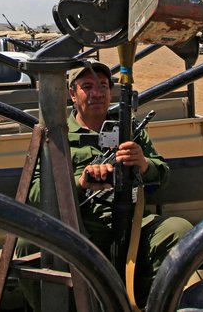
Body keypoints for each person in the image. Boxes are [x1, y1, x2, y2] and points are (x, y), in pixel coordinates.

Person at [16, 60, 192, 308]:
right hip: (78, 226)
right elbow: (34, 192)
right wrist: (80, 183)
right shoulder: (56, 133)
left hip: (131, 222)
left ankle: (147, 303)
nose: (97, 93)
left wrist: (142, 164)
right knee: (27, 245)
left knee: (179, 231)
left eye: (104, 86)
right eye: (87, 86)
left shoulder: (128, 127)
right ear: (72, 94)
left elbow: (161, 174)